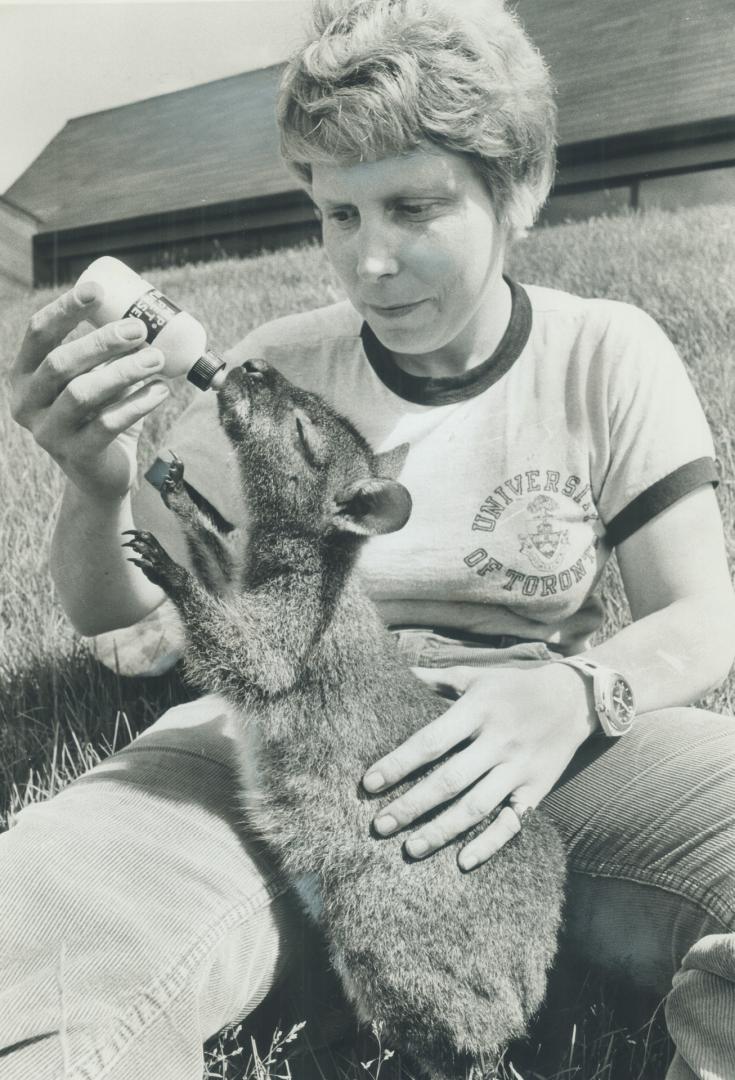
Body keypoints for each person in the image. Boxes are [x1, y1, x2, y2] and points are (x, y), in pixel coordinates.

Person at [4, 1, 735, 1077]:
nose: (370, 262)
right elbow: (117, 609)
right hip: (269, 755)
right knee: (29, 951)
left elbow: (702, 612)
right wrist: (94, 484)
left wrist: (579, 693)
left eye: (413, 206)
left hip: (540, 750)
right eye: (337, 214)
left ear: (518, 191)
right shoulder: (274, 365)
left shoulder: (605, 353)